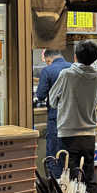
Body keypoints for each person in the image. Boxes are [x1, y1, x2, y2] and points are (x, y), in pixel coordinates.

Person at [49, 39, 97, 193]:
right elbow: (96, 99)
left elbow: (52, 100)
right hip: (89, 135)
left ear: (75, 56)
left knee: (71, 182)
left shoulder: (67, 74)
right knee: (90, 180)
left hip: (68, 135)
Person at [34, 47, 71, 176]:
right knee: (68, 154)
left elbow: (40, 95)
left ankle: (55, 188)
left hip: (56, 117)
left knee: (54, 154)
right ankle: (69, 189)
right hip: (73, 118)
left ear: (48, 59)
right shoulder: (73, 68)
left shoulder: (48, 70)